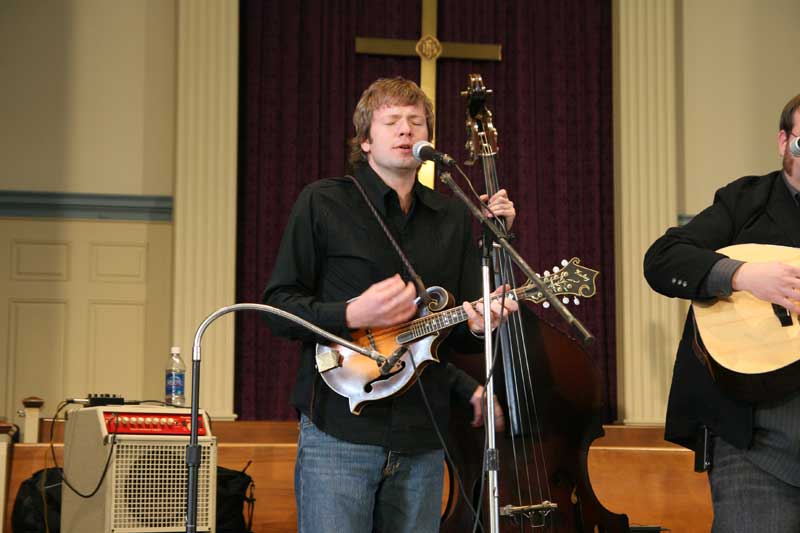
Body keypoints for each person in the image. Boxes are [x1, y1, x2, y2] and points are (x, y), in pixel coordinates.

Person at [262, 77, 518, 533]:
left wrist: (479, 323)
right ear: (365, 139)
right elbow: (279, 304)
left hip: (422, 434)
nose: (406, 131)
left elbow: (449, 332)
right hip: (339, 430)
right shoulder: (323, 202)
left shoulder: (453, 215)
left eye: (416, 122)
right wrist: (350, 314)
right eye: (392, 121)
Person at [643, 94, 800, 532]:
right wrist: (742, 276)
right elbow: (662, 259)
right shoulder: (746, 201)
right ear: (783, 142)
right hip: (754, 444)